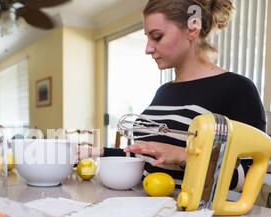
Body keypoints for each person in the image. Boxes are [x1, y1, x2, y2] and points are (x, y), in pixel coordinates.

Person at [82, 0, 266, 191]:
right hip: (147, 208)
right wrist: (96, 151)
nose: (148, 49)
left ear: (192, 29)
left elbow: (251, 176)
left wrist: (185, 156)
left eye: (157, 36)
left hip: (196, 216)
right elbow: (148, 157)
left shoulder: (237, 89)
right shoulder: (164, 91)